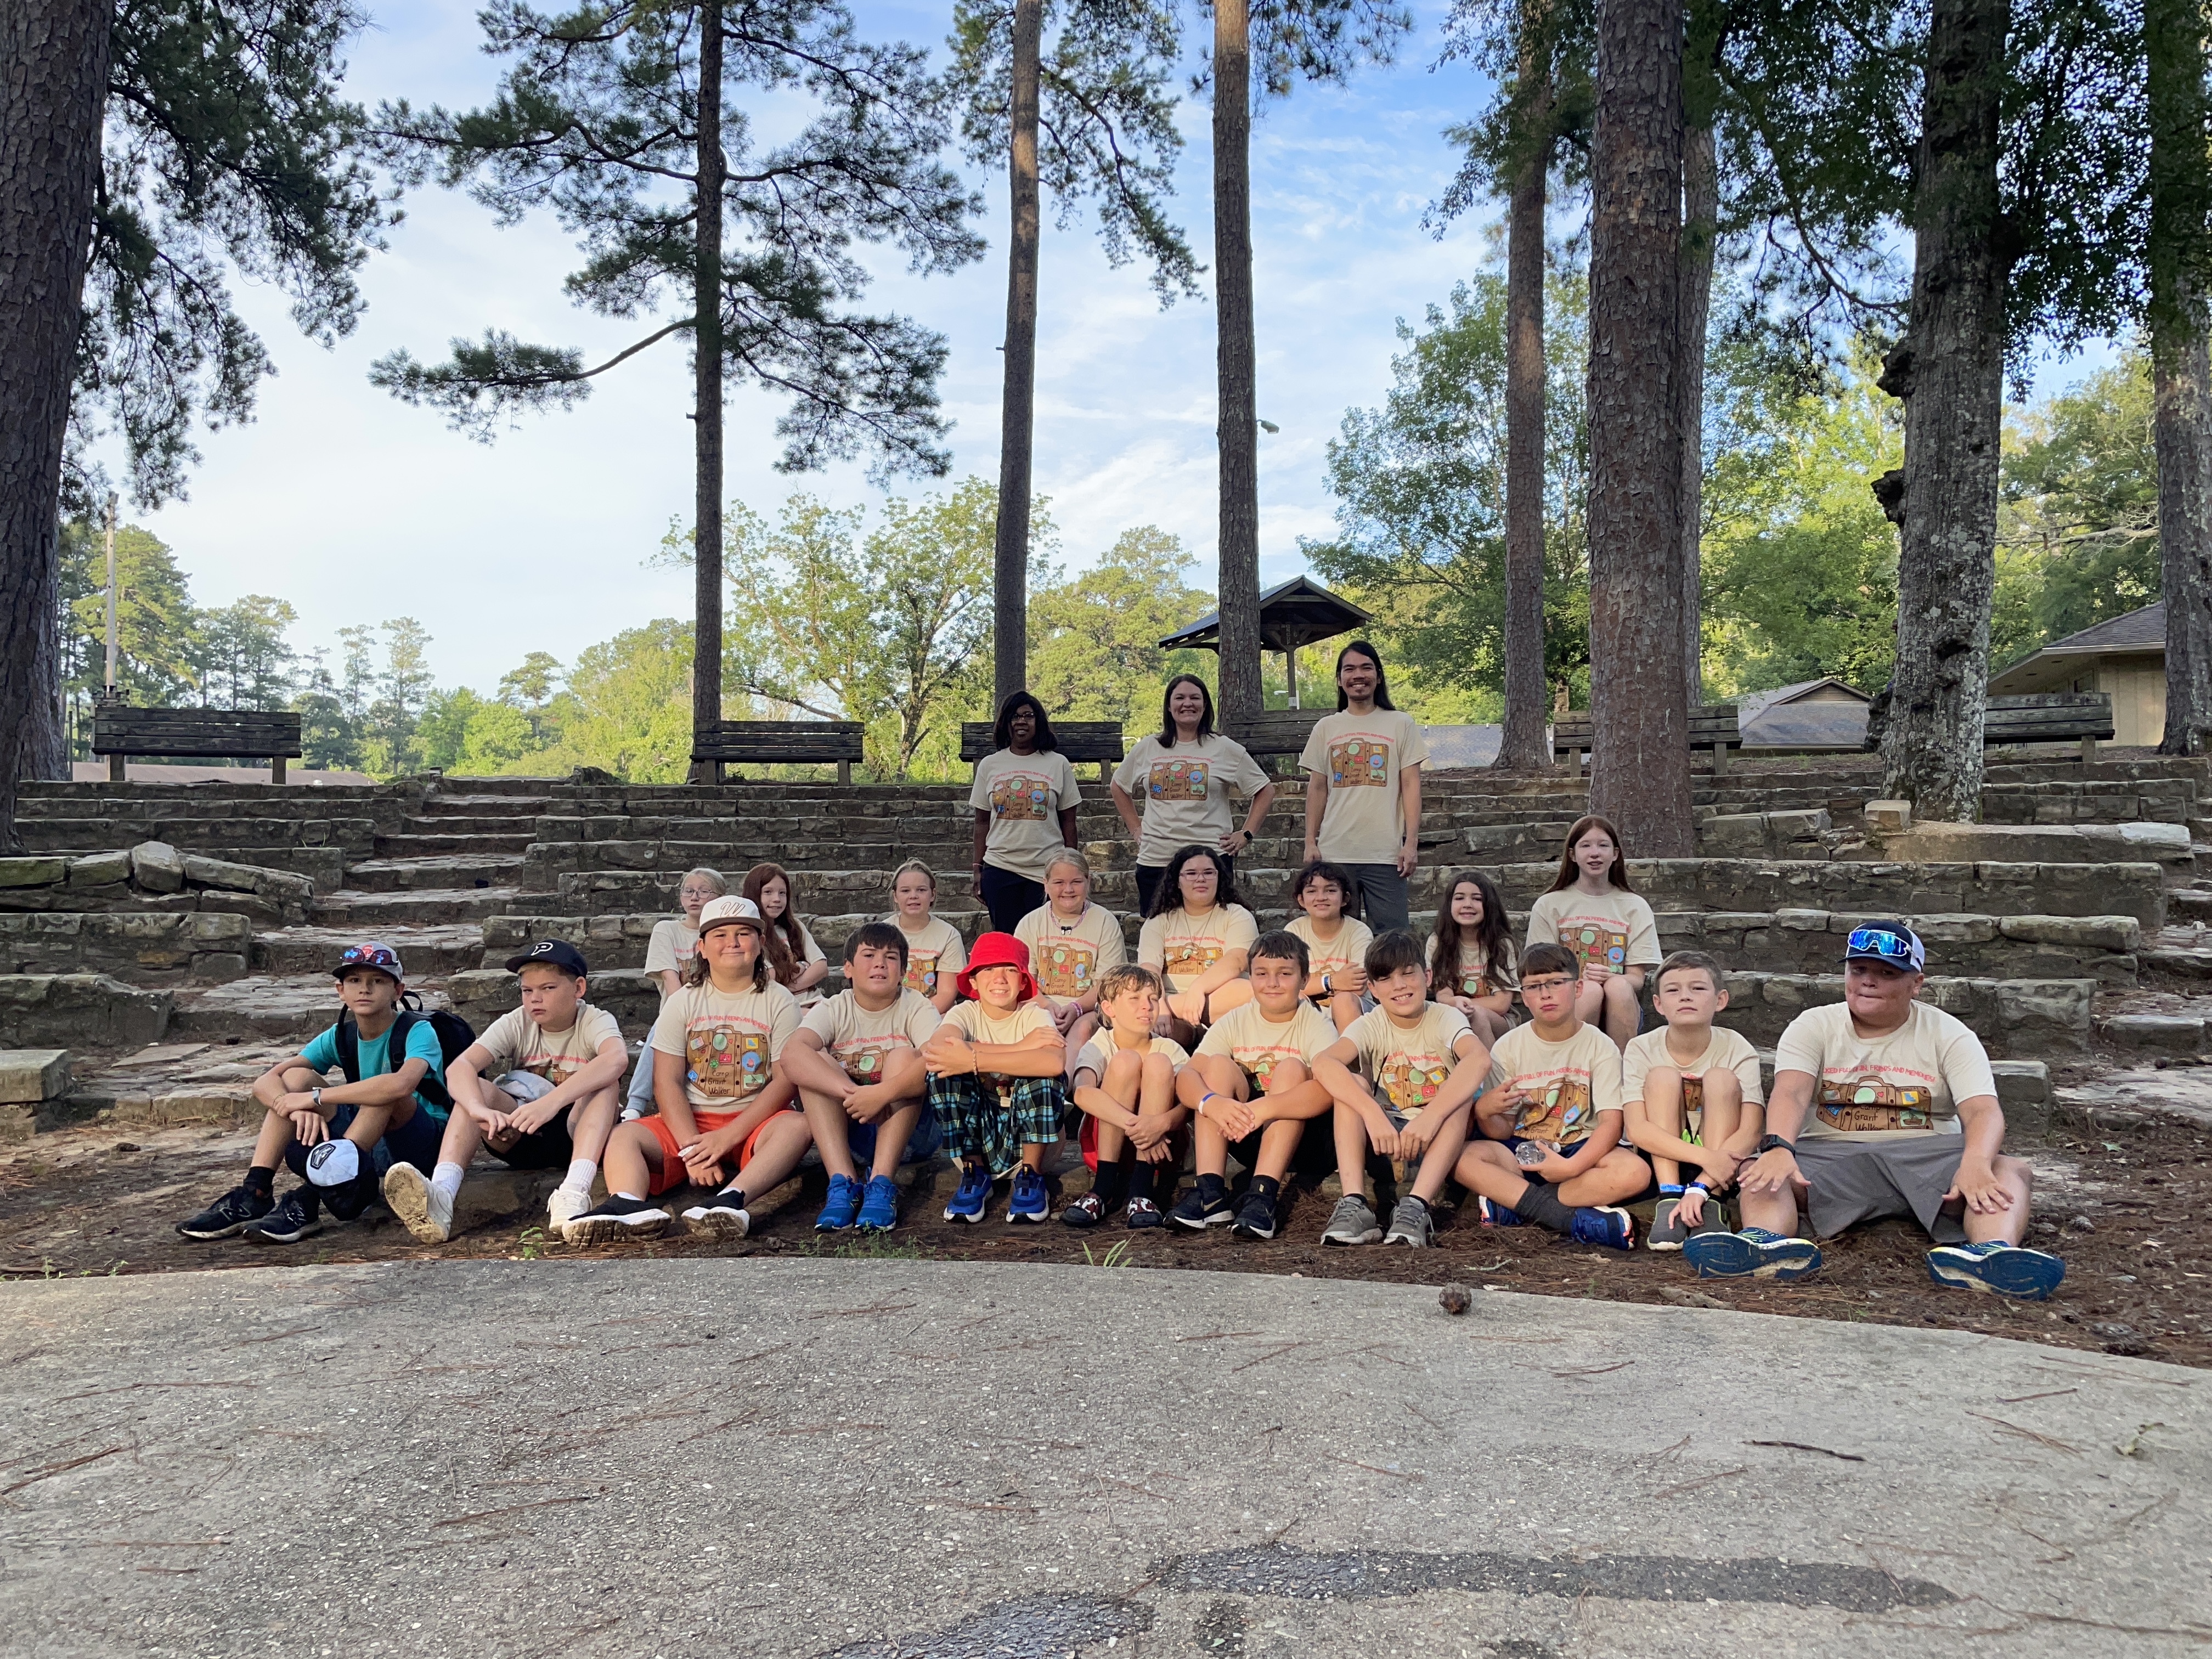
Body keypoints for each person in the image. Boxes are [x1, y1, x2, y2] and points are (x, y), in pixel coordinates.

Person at [1685, 923, 2066, 1298]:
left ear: (1916, 983)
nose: (1868, 981)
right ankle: (1764, 1245)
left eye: (1887, 973)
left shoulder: (1950, 1034)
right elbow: (1791, 1092)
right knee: (1759, 1169)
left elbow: (1982, 1110)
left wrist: (1976, 1163)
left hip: (1927, 1161)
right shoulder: (1814, 1025)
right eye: (1859, 970)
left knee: (2008, 1169)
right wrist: (1779, 1147)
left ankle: (1991, 1255)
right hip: (1831, 1159)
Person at [563, 896, 812, 1244]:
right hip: (691, 1122)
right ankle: (628, 1203)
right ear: (702, 948)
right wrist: (690, 1151)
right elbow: (666, 1081)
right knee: (624, 1136)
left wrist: (729, 1136)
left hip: (754, 1122)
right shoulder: (683, 1001)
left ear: (760, 944)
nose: (733, 943)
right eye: (720, 935)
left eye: (743, 934)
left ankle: (732, 1200)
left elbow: (785, 1081)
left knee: (799, 1126)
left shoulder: (780, 1001)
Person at [176, 943, 451, 1246]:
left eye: (378, 981)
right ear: (340, 991)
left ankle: (309, 1198)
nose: (365, 989)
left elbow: (401, 1086)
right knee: (295, 1078)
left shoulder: (418, 1030)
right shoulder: (341, 1035)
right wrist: (294, 1107)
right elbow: (267, 1081)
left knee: (384, 1094)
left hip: (419, 1143)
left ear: (397, 991)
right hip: (366, 1138)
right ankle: (255, 1192)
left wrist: (315, 1099)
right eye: (355, 980)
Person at [383, 940, 627, 1244]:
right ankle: (442, 1195)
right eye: (527, 990)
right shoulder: (518, 1021)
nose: (535, 999)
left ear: (578, 988)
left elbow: (617, 1058)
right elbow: (460, 1067)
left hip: (579, 1133)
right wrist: (478, 1110)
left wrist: (551, 1103)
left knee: (606, 1084)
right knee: (477, 1088)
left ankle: (574, 1192)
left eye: (548, 988)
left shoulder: (594, 1019)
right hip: (519, 1134)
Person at [1453, 942, 1642, 1250]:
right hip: (1523, 1153)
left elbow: (1611, 1124)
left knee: (1635, 1172)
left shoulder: (1600, 1046)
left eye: (1556, 982)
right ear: (1523, 996)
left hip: (1580, 1150)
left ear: (1578, 988)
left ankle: (1515, 1205)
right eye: (1534, 986)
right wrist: (1485, 1111)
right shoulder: (1508, 1047)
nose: (1545, 994)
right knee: (1462, 1158)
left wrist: (1572, 1167)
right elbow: (1502, 1131)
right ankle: (1571, 1220)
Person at [1313, 929, 1488, 1248]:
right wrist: (1371, 1112)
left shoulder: (1445, 1017)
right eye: (1386, 979)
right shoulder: (1372, 1023)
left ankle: (1416, 1206)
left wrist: (1431, 1117)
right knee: (1352, 1084)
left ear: (1427, 976)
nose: (1399, 986)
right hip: (1387, 1140)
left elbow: (1479, 1059)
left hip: (1438, 1141)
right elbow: (1323, 1063)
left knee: (1459, 1096)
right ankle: (1354, 1203)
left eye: (1408, 974)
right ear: (1373, 989)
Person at [1172, 930, 1338, 1240]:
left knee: (1291, 1069)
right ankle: (1210, 1192)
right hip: (1246, 1133)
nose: (1272, 983)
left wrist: (1266, 1107)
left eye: (1285, 974)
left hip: (1309, 1142)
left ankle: (1263, 1196)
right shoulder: (1236, 1019)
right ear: (1250, 978)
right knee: (1216, 1066)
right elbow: (1186, 1077)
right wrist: (1212, 1103)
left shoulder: (1317, 1023)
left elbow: (1331, 1091)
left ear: (1304, 980)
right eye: (1262, 974)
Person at [780, 922, 943, 1234]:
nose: (880, 963)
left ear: (903, 971)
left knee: (905, 1056)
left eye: (890, 957)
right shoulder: (833, 1007)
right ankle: (843, 1184)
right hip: (852, 1129)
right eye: (869, 955)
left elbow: (936, 1062)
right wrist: (854, 1095)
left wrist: (882, 1094)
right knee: (814, 1061)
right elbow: (792, 1055)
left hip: (911, 1134)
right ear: (848, 969)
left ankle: (881, 1183)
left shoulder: (917, 1006)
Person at [1620, 950, 1764, 1251]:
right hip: (1663, 1158)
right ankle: (1669, 1198)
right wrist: (1705, 1158)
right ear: (1658, 1004)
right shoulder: (1641, 1048)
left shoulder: (1737, 1047)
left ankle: (1713, 1204)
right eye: (1673, 990)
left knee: (1721, 1079)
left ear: (1720, 1000)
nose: (1685, 996)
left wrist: (1703, 1185)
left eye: (1698, 988)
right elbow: (1636, 1130)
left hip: (1722, 1165)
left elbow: (1751, 1131)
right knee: (1662, 1077)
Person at [924, 932, 1068, 1224]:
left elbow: (1054, 1063)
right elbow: (937, 1050)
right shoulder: (965, 1012)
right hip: (977, 1135)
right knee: (942, 1075)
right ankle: (974, 1174)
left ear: (1024, 981)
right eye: (988, 969)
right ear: (974, 981)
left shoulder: (1034, 1015)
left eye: (1010, 970)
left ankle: (1031, 1177)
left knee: (1042, 1078)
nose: (999, 978)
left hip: (1032, 1140)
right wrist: (1022, 1048)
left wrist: (972, 1058)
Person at [1110, 673, 1274, 915]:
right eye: (1180, 698)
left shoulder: (1224, 748)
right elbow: (1118, 786)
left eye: (1195, 698)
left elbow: (1265, 789)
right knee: (1160, 931)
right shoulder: (1148, 747)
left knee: (1212, 930)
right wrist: (1136, 829)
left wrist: (1246, 833)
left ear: (1205, 705)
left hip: (1209, 861)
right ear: (1169, 706)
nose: (1187, 703)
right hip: (1157, 859)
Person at [1298, 641, 1426, 934]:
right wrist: (1310, 841)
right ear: (1339, 679)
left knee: (1392, 939)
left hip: (1386, 855)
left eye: (1366, 668)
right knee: (1339, 938)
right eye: (1350, 669)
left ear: (1378, 677)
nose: (1358, 675)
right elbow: (1317, 789)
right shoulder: (1326, 728)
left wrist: (1411, 843)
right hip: (1336, 854)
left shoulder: (1400, 723)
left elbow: (1411, 784)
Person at [1062, 965, 1189, 1229]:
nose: (1147, 1006)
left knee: (1158, 1063)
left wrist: (1159, 1125)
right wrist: (1140, 1127)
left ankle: (1142, 1190)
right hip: (1110, 1148)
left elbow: (1189, 1106)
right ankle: (1103, 1188)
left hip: (1162, 1146)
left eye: (1153, 999)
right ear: (1109, 1008)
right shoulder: (1100, 1044)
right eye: (1135, 998)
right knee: (1125, 1061)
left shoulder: (1170, 1049)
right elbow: (1082, 1093)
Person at [1526, 815, 1660, 1051]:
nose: (1595, 853)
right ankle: (1568, 1061)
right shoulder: (1550, 905)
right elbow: (1540, 972)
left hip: (1620, 1005)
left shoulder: (1635, 906)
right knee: (1588, 990)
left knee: (1618, 986)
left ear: (1615, 854)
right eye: (1586, 846)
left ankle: (1622, 1064)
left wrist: (1610, 978)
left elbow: (1637, 979)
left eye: (1603, 845)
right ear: (1572, 855)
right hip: (1566, 1002)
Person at [970, 691, 1081, 933]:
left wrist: (1071, 866)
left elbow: (1068, 821)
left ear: (1038, 721)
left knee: (1045, 941)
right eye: (1015, 716)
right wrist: (978, 868)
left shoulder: (1058, 763)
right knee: (1008, 942)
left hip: (1047, 870)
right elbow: (981, 822)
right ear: (1006, 723)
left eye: (1028, 716)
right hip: (1001, 868)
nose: (1021, 722)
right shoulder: (990, 765)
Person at [627, 867, 729, 1117]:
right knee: (662, 1027)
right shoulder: (667, 930)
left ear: (720, 897)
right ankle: (634, 1107)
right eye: (688, 891)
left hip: (720, 1012)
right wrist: (689, 1014)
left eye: (704, 891)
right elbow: (670, 980)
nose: (695, 897)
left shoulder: (725, 933)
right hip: (678, 1011)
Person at [1138, 844, 1259, 1046]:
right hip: (1171, 1014)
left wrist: (1198, 989)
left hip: (1219, 1004)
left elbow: (1237, 960)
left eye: (1208, 873)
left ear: (1219, 878)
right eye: (1191, 873)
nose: (1200, 879)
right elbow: (1149, 969)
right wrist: (1158, 1001)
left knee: (1249, 990)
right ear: (1178, 881)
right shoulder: (1159, 921)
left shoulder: (1237, 915)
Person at [1014, 848, 1125, 1063]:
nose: (1068, 889)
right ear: (1045, 884)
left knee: (1082, 1029)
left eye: (1076, 882)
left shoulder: (1105, 922)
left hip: (1090, 1007)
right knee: (1038, 1024)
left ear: (1088, 881)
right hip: (1038, 1003)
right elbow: (1023, 979)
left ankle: (1066, 1080)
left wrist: (1076, 1008)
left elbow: (1107, 984)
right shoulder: (1030, 923)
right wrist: (1046, 1006)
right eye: (1059, 883)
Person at [1284, 858, 1373, 1033]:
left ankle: (1349, 1051)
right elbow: (1287, 983)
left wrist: (1310, 984)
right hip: (1312, 1008)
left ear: (1345, 898)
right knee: (1294, 999)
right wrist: (1332, 981)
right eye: (1312, 891)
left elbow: (1358, 985)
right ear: (1301, 900)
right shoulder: (1294, 930)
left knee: (1343, 1000)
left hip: (1354, 1008)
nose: (1321, 897)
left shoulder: (1358, 931)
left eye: (1331, 890)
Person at [1430, 868, 1518, 1044]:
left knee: (1475, 1016)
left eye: (1477, 899)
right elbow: (1443, 995)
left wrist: (1461, 1004)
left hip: (1499, 1021)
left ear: (1489, 905)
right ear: (1449, 904)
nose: (1468, 904)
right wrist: (1454, 1003)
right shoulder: (1437, 942)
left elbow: (1501, 1004)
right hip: (1453, 1014)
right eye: (1459, 898)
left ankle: (1488, 1063)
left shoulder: (1502, 944)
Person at [885, 859, 965, 1014]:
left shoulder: (949, 935)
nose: (913, 896)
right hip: (890, 1014)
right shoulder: (881, 933)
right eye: (905, 891)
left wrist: (918, 1019)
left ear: (932, 895)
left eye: (921, 890)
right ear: (895, 896)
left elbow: (946, 993)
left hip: (934, 1014)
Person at [746, 861, 827, 1007]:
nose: (777, 899)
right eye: (768, 892)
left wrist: (789, 986)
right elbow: (771, 979)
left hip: (816, 1001)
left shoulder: (794, 926)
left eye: (782, 893)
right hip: (783, 1007)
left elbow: (821, 967)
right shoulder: (751, 932)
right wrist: (803, 966)